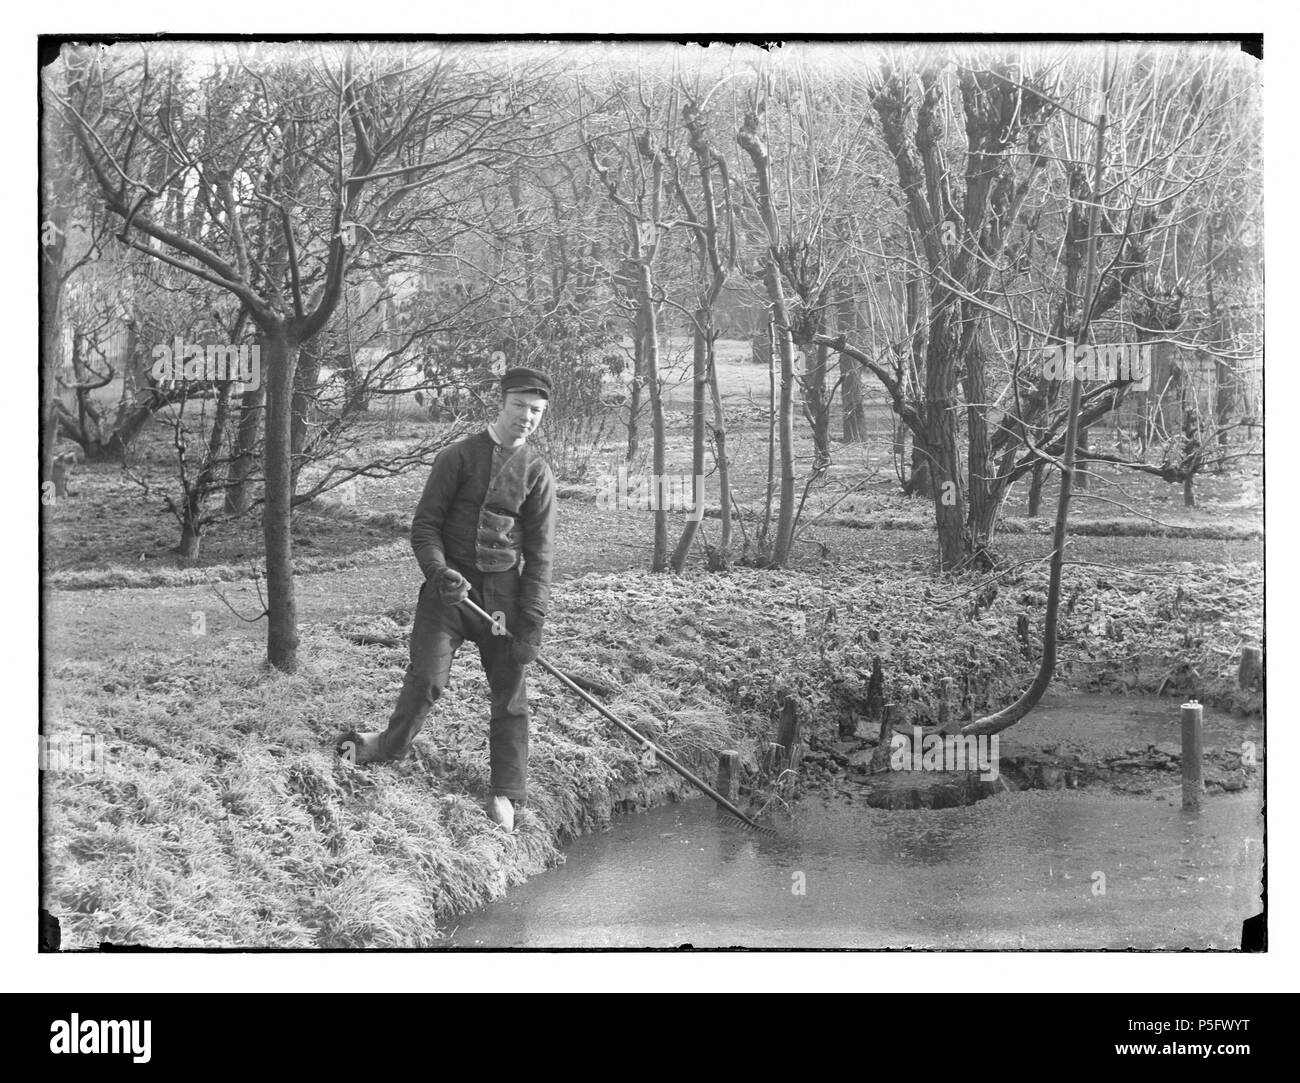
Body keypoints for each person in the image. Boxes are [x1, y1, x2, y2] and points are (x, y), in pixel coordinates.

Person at [337, 367, 557, 832]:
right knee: (427, 681)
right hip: (448, 593)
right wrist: (439, 572)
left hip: (504, 598)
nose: (526, 417)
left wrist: (531, 619)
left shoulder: (538, 473)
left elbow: (540, 554)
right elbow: (425, 526)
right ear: (501, 403)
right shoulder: (457, 457)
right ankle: (385, 747)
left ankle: (505, 792)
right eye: (519, 406)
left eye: (536, 411)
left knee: (511, 695)